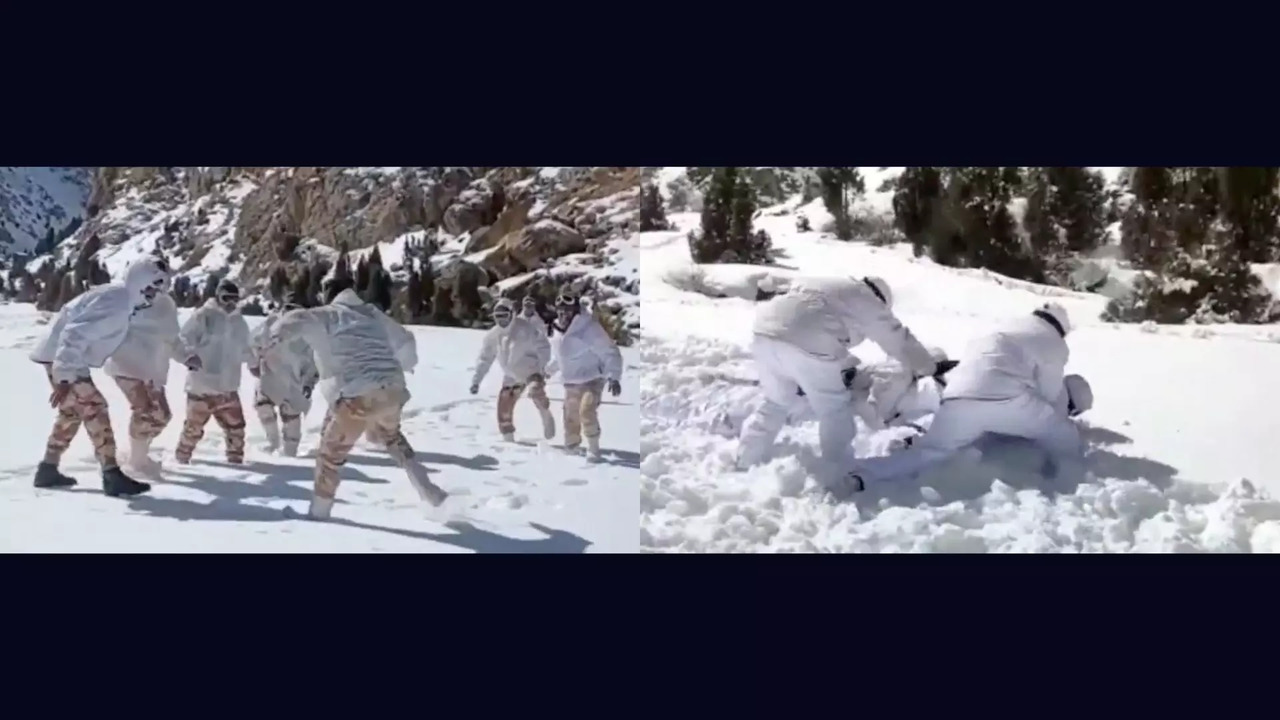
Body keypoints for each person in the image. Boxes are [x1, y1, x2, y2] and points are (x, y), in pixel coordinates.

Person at [848, 301, 1084, 492]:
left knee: (930, 452)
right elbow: (1050, 394)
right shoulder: (1053, 342)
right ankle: (1073, 481)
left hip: (955, 398)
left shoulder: (1005, 326)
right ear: (1061, 328)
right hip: (1007, 399)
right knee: (1062, 432)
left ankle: (862, 474)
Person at [268, 280, 446, 520]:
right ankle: (430, 491)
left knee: (330, 457)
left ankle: (318, 514)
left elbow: (296, 318)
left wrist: (274, 336)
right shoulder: (373, 315)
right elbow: (405, 341)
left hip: (358, 394)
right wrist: (406, 365)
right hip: (393, 388)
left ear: (328, 295)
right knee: (392, 439)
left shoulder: (328, 315)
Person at [735, 275, 937, 482]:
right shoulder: (864, 297)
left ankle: (745, 458)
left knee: (775, 402)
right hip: (807, 341)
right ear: (880, 298)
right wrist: (929, 367)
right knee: (834, 410)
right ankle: (837, 470)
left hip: (764, 335)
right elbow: (895, 337)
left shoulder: (829, 286)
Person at [27, 257, 169, 496]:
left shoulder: (122, 300)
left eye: (159, 288)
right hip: (63, 358)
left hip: (65, 358)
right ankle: (111, 474)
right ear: (139, 280)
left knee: (72, 411)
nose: (154, 292)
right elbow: (74, 334)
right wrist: (63, 376)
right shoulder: (117, 301)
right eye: (152, 285)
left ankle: (48, 468)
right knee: (95, 406)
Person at [103, 257, 187, 479]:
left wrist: (187, 357)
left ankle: (138, 451)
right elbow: (101, 328)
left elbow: (172, 339)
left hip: (153, 370)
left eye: (161, 283)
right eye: (152, 283)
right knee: (146, 412)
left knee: (162, 416)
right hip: (126, 366)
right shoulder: (122, 300)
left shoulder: (166, 305)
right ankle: (137, 462)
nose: (156, 289)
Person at [173, 279, 253, 465]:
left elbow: (246, 348)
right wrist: (188, 357)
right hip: (202, 385)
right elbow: (183, 339)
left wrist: (254, 362)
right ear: (218, 296)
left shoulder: (239, 321)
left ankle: (235, 464)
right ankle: (181, 462)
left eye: (235, 299)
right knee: (193, 429)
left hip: (228, 386)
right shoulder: (204, 316)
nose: (230, 304)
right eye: (226, 298)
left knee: (236, 428)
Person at [549, 292, 623, 458]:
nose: (563, 315)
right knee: (570, 415)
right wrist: (547, 371)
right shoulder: (557, 330)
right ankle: (572, 448)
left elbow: (609, 352)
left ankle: (593, 449)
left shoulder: (589, 328)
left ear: (575, 311)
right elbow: (560, 357)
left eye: (567, 311)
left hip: (592, 379)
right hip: (570, 381)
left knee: (587, 410)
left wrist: (614, 376)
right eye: (560, 311)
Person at [470, 297, 555, 441]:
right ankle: (508, 438)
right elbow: (485, 359)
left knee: (536, 394)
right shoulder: (493, 335)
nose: (501, 320)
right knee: (504, 404)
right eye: (498, 317)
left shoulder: (526, 328)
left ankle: (546, 416)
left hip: (531, 371)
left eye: (504, 316)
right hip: (511, 375)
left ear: (512, 314)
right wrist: (476, 381)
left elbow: (543, 347)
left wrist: (542, 367)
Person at [249, 292, 319, 456]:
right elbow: (253, 342)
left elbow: (315, 361)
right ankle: (273, 442)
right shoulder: (272, 322)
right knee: (263, 406)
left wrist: (309, 383)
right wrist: (254, 362)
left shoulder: (309, 332)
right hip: (270, 375)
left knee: (292, 418)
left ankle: (290, 454)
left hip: (295, 382)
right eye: (288, 308)